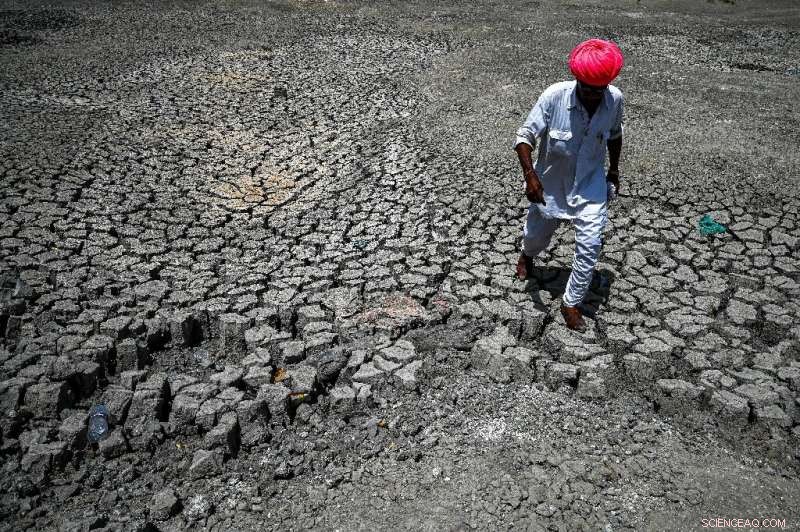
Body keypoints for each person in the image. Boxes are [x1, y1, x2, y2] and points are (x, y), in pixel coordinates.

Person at [513, 38, 624, 332]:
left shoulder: (614, 100)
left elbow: (614, 135)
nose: (592, 95)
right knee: (536, 236)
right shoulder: (554, 96)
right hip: (550, 184)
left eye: (599, 89)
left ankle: (571, 302)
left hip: (590, 186)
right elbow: (524, 137)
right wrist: (530, 175)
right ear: (577, 79)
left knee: (590, 245)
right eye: (586, 88)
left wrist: (613, 171)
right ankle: (527, 255)